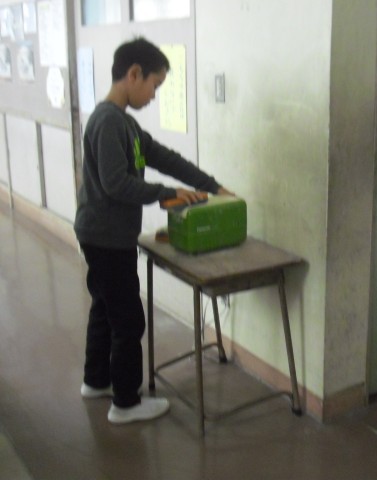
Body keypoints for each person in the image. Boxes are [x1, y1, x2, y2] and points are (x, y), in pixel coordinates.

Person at [74, 37, 233, 425]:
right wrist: (167, 194)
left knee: (105, 308)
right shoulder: (108, 122)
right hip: (106, 238)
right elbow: (116, 184)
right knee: (128, 320)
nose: (154, 95)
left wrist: (212, 186)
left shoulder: (125, 124)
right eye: (155, 85)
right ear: (134, 74)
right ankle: (126, 404)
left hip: (104, 235)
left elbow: (165, 158)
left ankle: (96, 380)